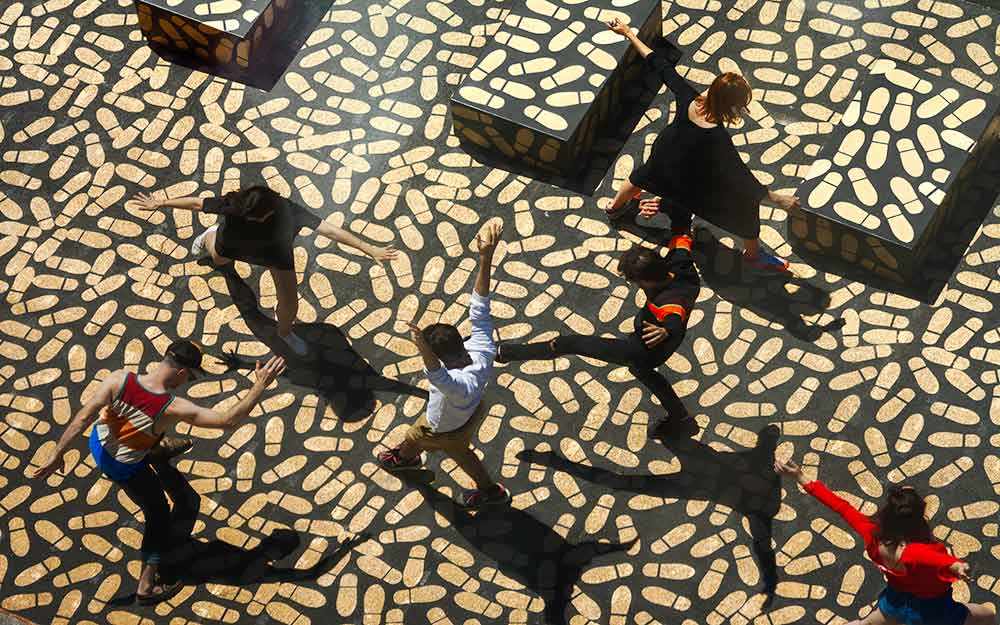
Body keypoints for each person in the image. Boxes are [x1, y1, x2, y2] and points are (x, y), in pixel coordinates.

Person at [31, 339, 286, 605]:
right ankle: (146, 586)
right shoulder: (173, 407)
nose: (186, 382)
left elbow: (83, 417)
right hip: (124, 466)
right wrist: (260, 384)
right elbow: (228, 420)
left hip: (99, 443)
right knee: (159, 514)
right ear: (181, 372)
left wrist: (57, 454)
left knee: (148, 429)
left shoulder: (119, 379)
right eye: (189, 377)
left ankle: (157, 449)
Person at [604, 18, 801, 275]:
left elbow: (660, 64)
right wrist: (777, 199)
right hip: (690, 175)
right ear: (732, 106)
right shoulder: (717, 138)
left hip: (664, 155)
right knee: (746, 211)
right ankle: (753, 256)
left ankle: (615, 209)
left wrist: (629, 33)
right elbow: (741, 177)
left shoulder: (688, 96)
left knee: (641, 177)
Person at [131, 185, 397, 356]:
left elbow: (329, 230)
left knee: (289, 302)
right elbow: (198, 204)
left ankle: (285, 332)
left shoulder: (287, 210)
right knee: (220, 260)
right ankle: (209, 236)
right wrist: (161, 203)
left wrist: (369, 248)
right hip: (232, 245)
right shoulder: (237, 204)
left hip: (276, 256)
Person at [496, 231, 700, 439]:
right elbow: (681, 235)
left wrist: (667, 330)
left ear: (647, 281)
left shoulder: (670, 302)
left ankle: (504, 352)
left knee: (567, 344)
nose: (635, 285)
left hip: (642, 349)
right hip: (653, 340)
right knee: (644, 372)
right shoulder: (680, 265)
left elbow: (675, 317)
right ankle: (682, 419)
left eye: (635, 281)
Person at [376, 222, 510, 509]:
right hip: (472, 411)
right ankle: (406, 457)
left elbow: (436, 374)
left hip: (447, 429)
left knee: (437, 444)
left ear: (439, 357)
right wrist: (485, 258)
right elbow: (480, 304)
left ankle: (491, 492)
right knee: (421, 437)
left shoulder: (454, 383)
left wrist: (422, 347)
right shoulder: (481, 347)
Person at [774, 458, 997, 625]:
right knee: (986, 614)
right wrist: (956, 566)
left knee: (869, 622)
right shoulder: (916, 552)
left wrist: (800, 476)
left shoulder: (872, 535)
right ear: (919, 520)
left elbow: (840, 506)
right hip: (933, 610)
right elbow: (934, 559)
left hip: (896, 601)